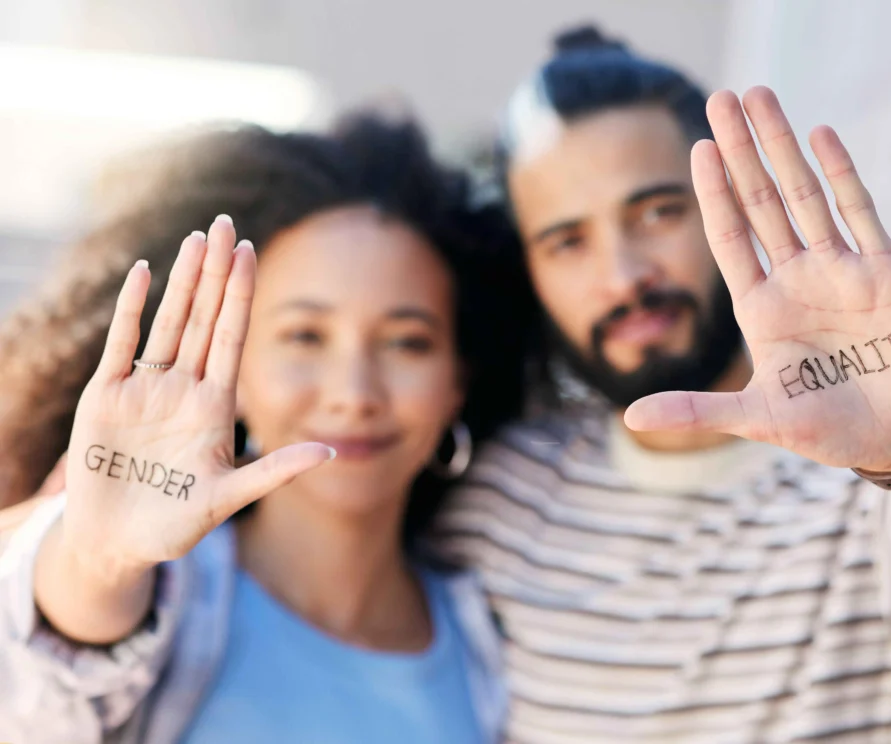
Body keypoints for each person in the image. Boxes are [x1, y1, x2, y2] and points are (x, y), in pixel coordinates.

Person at [431, 25, 891, 744]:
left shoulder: (874, 473)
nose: (623, 276)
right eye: (568, 242)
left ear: (732, 212)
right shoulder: (499, 498)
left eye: (657, 212)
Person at [0, 115, 529, 743]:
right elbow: (45, 684)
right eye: (305, 336)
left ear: (459, 381)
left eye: (407, 343)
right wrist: (102, 562)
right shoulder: (162, 590)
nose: (354, 394)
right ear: (233, 369)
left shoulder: (494, 639)